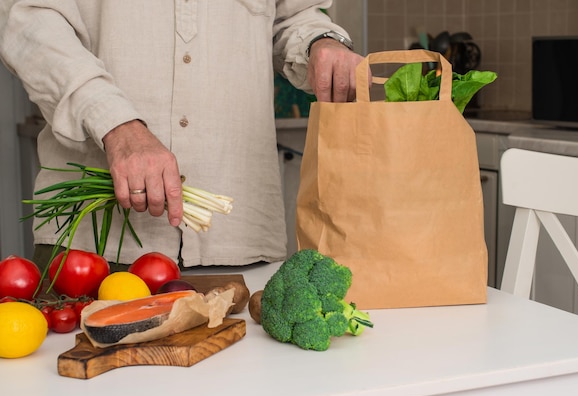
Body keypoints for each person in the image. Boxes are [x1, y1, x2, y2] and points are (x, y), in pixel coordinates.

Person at [0, 1, 363, 269]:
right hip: (92, 250)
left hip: (238, 242)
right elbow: (28, 22)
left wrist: (321, 41)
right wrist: (114, 122)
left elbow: (294, 15)